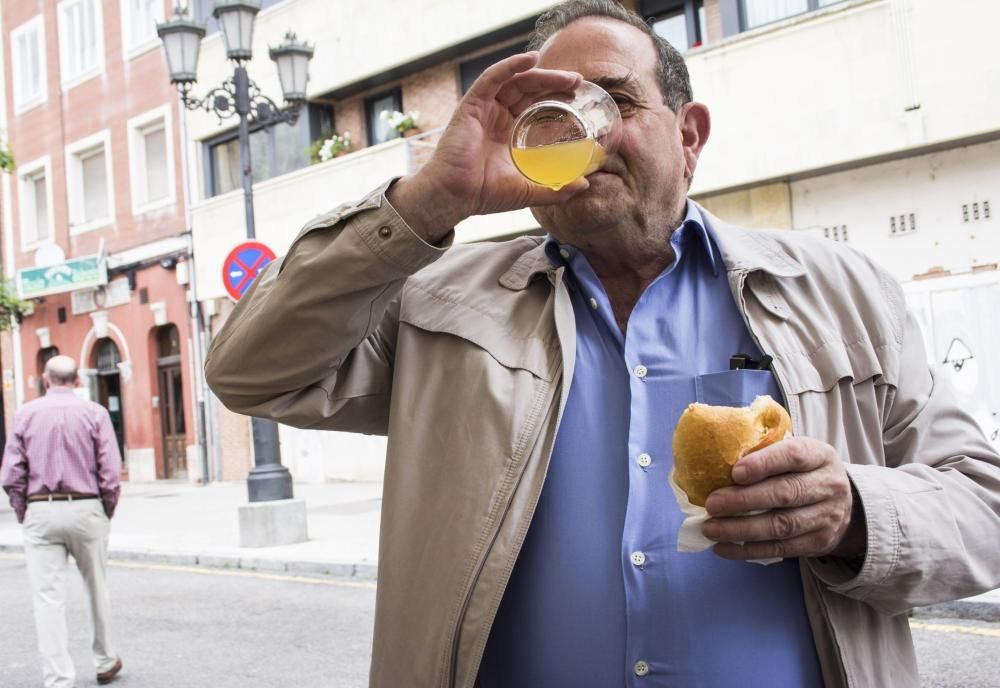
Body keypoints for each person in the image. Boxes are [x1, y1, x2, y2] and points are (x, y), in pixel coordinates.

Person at [204, 1, 1000, 686]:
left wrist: (857, 513)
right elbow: (250, 374)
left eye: (615, 99)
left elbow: (983, 505)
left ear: (689, 136)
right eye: (551, 110)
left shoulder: (840, 291)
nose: (585, 129)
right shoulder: (436, 301)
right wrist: (421, 204)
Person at [1, 355, 124, 687]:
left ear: (45, 380)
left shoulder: (25, 414)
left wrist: (24, 511)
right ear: (78, 381)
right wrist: (104, 510)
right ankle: (104, 660)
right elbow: (111, 471)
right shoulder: (95, 413)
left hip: (40, 509)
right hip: (86, 508)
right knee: (97, 588)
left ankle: (58, 679)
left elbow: (12, 474)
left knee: (47, 599)